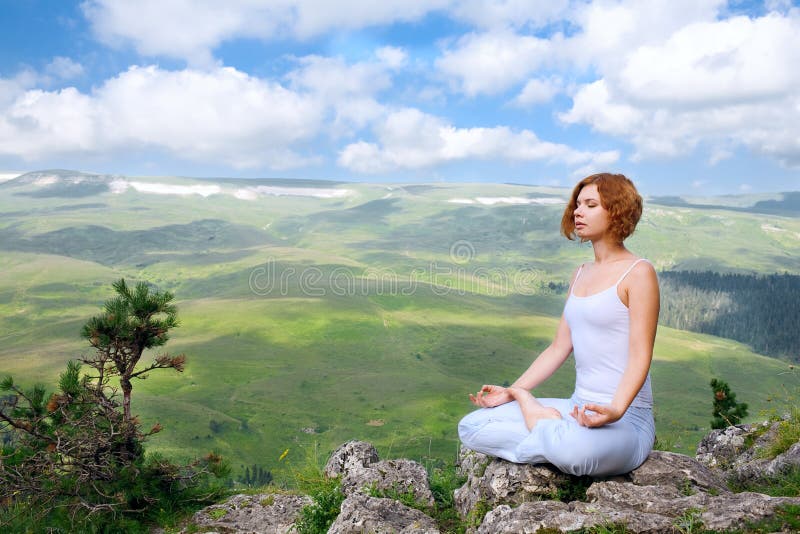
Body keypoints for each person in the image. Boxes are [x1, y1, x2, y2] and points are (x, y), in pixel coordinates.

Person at [458, 173, 659, 477]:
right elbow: (558, 347)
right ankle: (545, 425)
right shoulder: (580, 273)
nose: (578, 211)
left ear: (617, 211)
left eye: (591, 204)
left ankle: (542, 426)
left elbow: (640, 355)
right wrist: (513, 391)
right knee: (471, 426)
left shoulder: (638, 272)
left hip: (626, 418)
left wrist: (615, 410)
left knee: (578, 454)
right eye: (578, 204)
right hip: (576, 408)